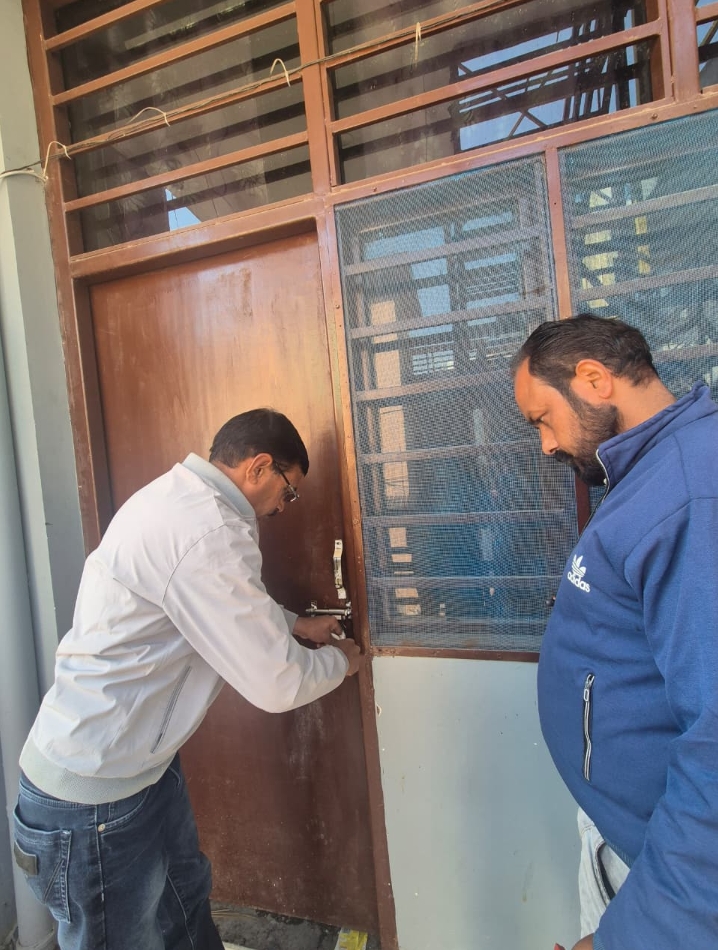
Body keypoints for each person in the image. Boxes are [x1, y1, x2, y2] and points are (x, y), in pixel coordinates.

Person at [12, 408, 361, 950]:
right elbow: (278, 683)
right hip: (93, 801)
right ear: (259, 466)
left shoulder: (177, 502)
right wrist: (344, 663)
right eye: (288, 491)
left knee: (185, 912)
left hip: (136, 773)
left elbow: (211, 603)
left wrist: (294, 623)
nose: (283, 506)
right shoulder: (208, 530)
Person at [511, 314, 718, 950]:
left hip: (660, 881)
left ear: (594, 379)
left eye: (543, 418)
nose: (545, 445)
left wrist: (633, 934)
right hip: (630, 838)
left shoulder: (692, 493)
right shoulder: (653, 472)